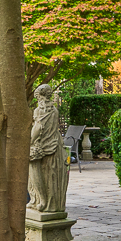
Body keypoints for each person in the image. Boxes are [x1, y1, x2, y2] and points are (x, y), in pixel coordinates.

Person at [27, 84, 69, 213]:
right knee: (51, 176)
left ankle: (41, 201)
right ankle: (44, 202)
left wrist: (30, 141)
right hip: (55, 145)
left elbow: (38, 128)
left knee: (35, 171)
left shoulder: (39, 110)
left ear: (39, 95)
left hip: (43, 146)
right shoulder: (54, 110)